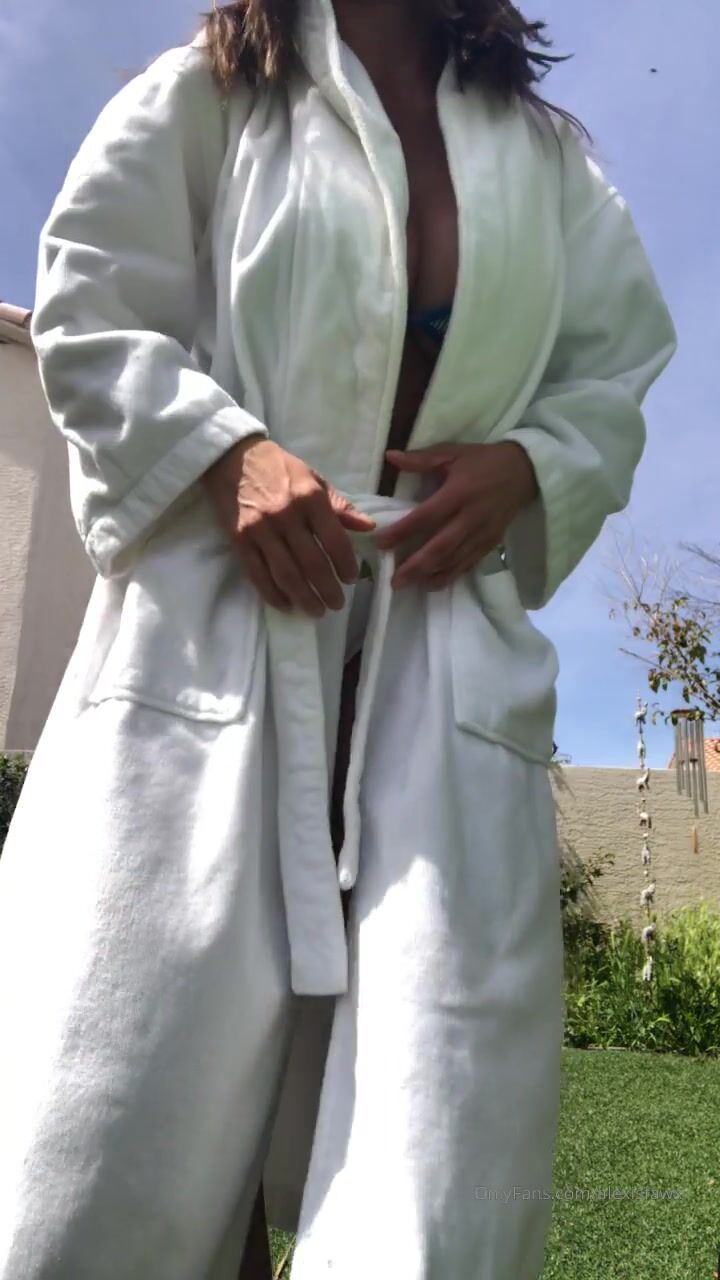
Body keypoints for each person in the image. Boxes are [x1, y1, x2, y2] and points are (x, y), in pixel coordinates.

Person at [0, 1, 676, 1277]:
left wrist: (533, 464)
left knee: (435, 1164)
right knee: (112, 1124)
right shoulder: (213, 95)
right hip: (218, 639)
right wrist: (225, 452)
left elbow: (615, 365)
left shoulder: (546, 161)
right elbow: (88, 305)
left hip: (443, 648)